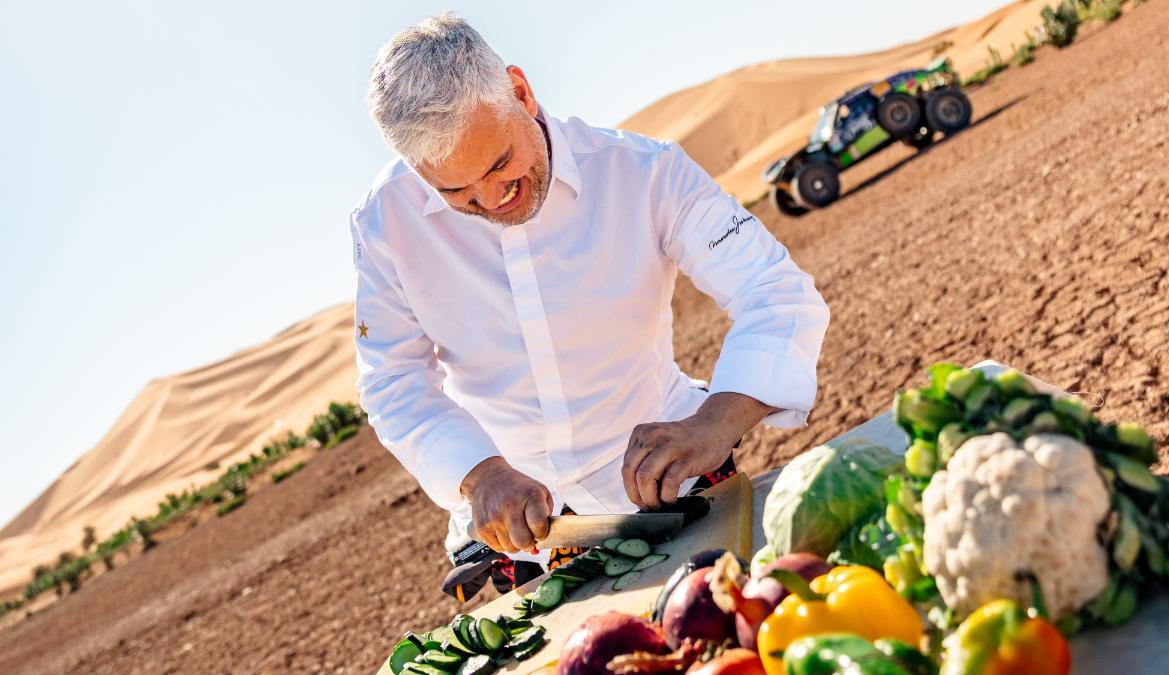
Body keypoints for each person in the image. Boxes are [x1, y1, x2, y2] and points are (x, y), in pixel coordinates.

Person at [352, 13, 829, 597]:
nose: (491, 199)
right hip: (520, 530)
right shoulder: (385, 223)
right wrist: (480, 477)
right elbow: (393, 380)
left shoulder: (646, 172)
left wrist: (715, 421)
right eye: (454, 193)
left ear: (521, 93)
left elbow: (774, 291)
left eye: (500, 164)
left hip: (671, 483)